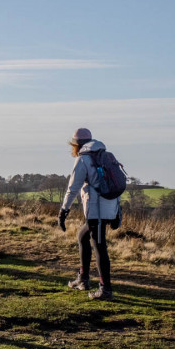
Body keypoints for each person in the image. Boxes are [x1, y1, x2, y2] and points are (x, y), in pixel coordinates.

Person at [58, 128, 121, 301]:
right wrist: (116, 213)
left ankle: (105, 289)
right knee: (82, 236)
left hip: (97, 212)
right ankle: (83, 279)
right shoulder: (107, 156)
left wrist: (63, 211)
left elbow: (73, 188)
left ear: (76, 145)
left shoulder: (83, 160)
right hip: (108, 208)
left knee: (100, 247)